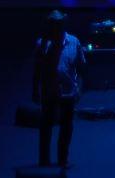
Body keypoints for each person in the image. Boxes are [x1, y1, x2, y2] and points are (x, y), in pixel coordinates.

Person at [32, 10, 86, 168]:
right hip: (49, 91)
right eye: (52, 25)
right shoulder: (43, 44)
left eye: (58, 24)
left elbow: (82, 68)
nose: (55, 28)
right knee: (46, 126)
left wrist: (80, 89)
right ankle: (44, 160)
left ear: (63, 25)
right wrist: (35, 90)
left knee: (66, 127)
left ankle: (62, 159)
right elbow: (37, 69)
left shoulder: (74, 42)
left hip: (68, 91)